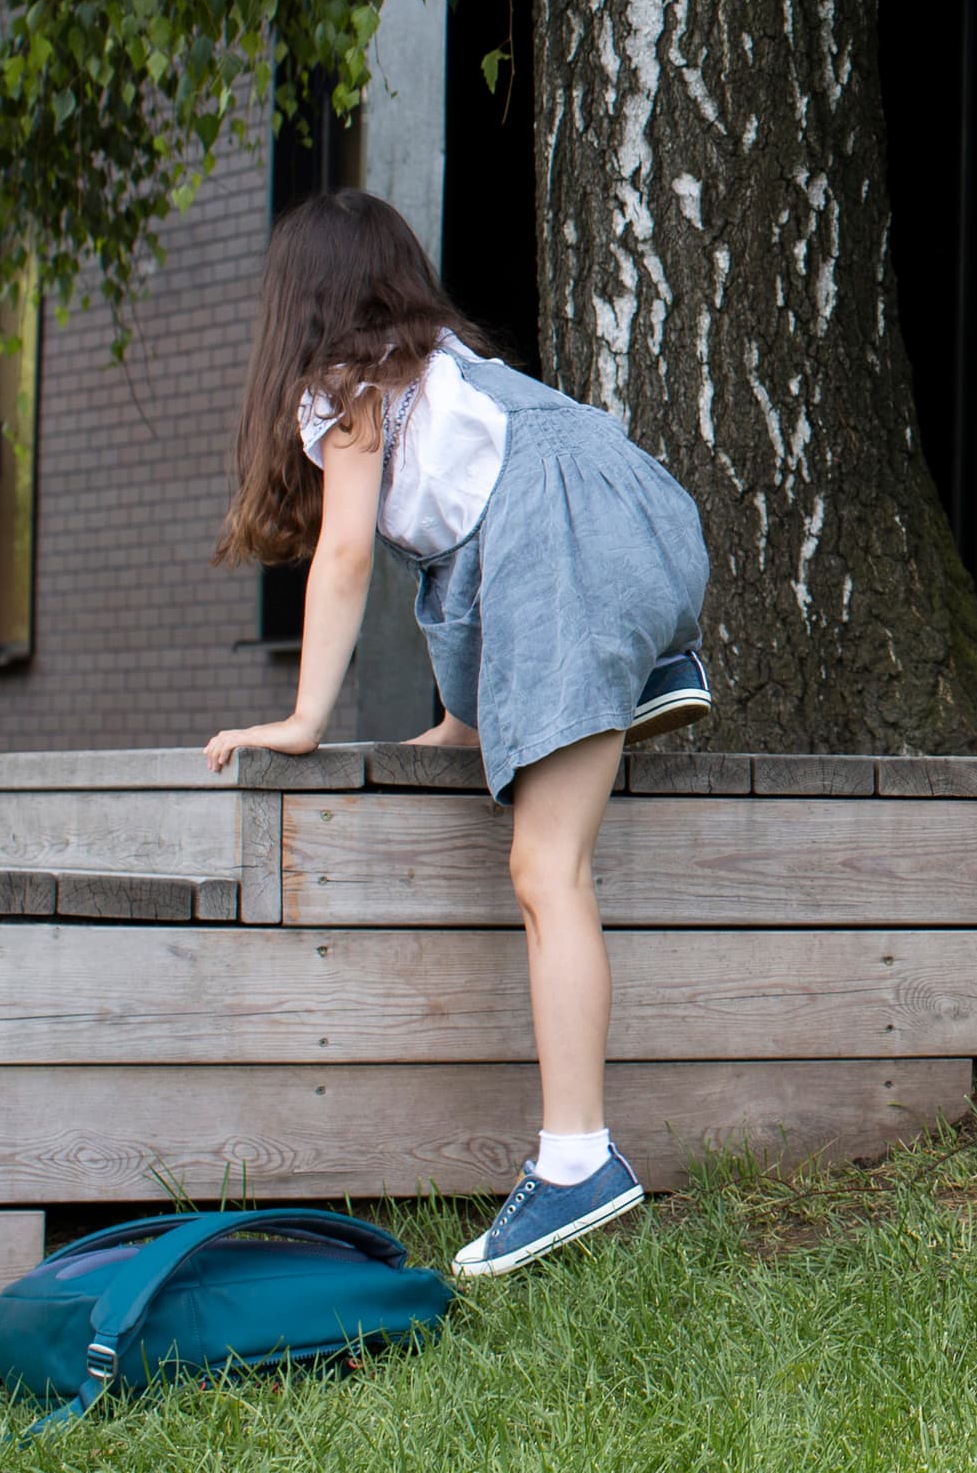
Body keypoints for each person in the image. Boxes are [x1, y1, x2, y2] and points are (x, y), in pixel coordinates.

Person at [204, 188, 715, 1279]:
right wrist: (462, 724)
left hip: (571, 557)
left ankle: (580, 1161)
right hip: (646, 528)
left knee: (544, 868)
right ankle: (650, 669)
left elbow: (351, 558)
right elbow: (479, 560)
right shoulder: (451, 368)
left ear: (299, 302)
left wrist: (303, 718)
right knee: (543, 805)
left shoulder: (345, 389)